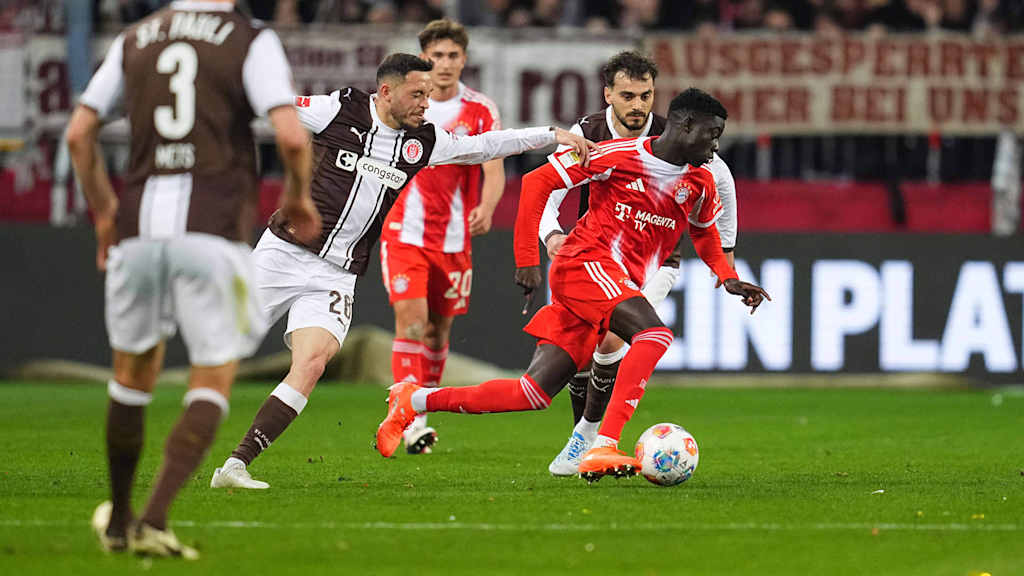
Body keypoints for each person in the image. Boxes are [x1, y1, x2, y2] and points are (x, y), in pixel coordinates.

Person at [210, 53, 595, 488]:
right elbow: (274, 104)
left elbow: (485, 145)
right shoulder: (338, 110)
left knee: (313, 363)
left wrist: (549, 135)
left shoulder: (424, 142)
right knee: (218, 345)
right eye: (417, 94)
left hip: (337, 274)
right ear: (387, 91)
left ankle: (236, 465)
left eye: (429, 95)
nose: (425, 104)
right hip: (283, 255)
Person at [376, 88, 769, 484]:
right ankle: (603, 444)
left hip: (612, 283)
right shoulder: (619, 155)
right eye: (711, 133)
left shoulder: (701, 181)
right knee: (653, 336)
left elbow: (705, 235)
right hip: (584, 266)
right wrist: (528, 257)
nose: (716, 144)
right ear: (685, 125)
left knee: (531, 393)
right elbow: (537, 182)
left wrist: (729, 278)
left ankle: (413, 398)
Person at [67, 0, 319, 558]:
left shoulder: (135, 38)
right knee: (213, 374)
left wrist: (105, 213)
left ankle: (117, 523)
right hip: (210, 230)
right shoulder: (248, 38)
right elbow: (293, 137)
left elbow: (79, 134)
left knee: (130, 377)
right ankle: (154, 520)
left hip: (136, 230)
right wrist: (298, 197)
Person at [540, 51, 739, 477]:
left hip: (655, 260)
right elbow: (549, 187)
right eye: (628, 95)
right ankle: (585, 438)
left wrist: (728, 250)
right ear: (608, 94)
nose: (638, 105)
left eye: (646, 95)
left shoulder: (680, 133)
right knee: (581, 353)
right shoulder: (588, 133)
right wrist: (551, 234)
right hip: (590, 253)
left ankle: (591, 439)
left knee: (611, 338)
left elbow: (721, 179)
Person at [380, 20, 504, 455]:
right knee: (411, 322)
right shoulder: (410, 104)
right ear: (423, 58)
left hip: (454, 239)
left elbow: (493, 166)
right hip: (404, 231)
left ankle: (420, 411)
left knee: (437, 332)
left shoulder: (480, 109)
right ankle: (408, 421)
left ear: (464, 60)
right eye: (437, 56)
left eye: (453, 56)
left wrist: (487, 207)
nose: (445, 64)